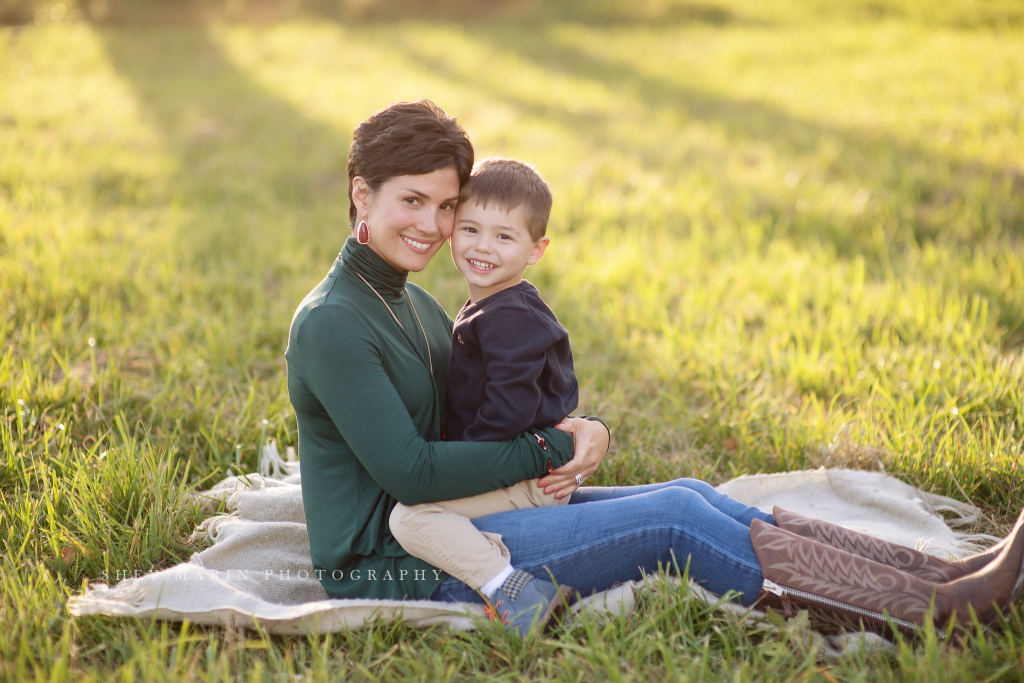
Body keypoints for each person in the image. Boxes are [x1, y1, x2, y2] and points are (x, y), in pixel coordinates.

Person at [286, 98, 1024, 643]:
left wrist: (583, 429)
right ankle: (936, 617)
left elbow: (476, 412)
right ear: (362, 196)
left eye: (446, 205)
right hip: (403, 556)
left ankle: (939, 575)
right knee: (673, 521)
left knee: (691, 490)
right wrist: (548, 450)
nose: (433, 225)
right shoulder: (331, 324)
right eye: (412, 201)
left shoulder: (410, 299)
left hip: (469, 509)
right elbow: (412, 474)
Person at [388, 157, 580, 634]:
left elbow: (508, 412)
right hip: (519, 463)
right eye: (470, 229)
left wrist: (455, 466)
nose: (482, 247)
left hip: (520, 473)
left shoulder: (509, 318)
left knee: (410, 519)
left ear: (537, 250)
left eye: (504, 236)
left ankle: (513, 589)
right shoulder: (494, 304)